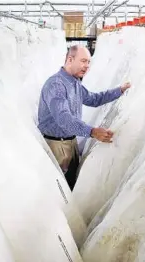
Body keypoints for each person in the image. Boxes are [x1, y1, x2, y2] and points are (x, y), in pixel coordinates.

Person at [38, 45, 131, 190]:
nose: (87, 66)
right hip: (57, 146)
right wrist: (92, 131)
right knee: (59, 191)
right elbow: (64, 119)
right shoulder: (56, 85)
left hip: (70, 142)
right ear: (70, 59)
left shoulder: (74, 83)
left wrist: (119, 91)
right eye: (83, 61)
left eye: (88, 62)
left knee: (71, 186)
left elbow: (94, 99)